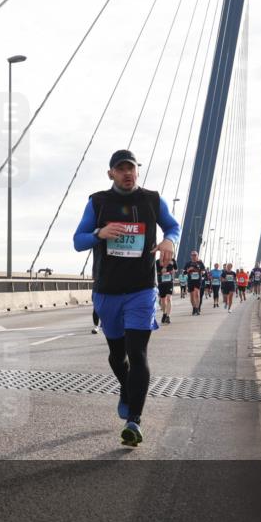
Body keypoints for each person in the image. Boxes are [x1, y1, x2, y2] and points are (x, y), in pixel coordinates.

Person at [73, 149, 181, 447]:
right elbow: (77, 241)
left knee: (138, 354)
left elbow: (172, 225)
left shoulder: (151, 199)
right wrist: (100, 232)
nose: (127, 173)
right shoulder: (97, 202)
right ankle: (126, 388)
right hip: (107, 291)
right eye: (120, 169)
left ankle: (134, 420)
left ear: (137, 170)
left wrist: (169, 240)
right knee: (117, 355)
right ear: (111, 173)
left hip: (142, 289)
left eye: (131, 168)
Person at [183, 251, 206, 315]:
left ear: (197, 256)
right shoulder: (188, 263)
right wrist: (189, 270)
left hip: (198, 280)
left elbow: (204, 271)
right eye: (192, 255)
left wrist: (201, 271)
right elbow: (184, 272)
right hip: (190, 281)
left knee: (197, 294)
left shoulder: (200, 263)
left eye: (195, 255)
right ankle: (194, 308)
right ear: (191, 256)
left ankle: (197, 309)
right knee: (192, 296)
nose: (194, 256)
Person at [157, 258, 177, 324]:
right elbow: (156, 272)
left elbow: (176, 269)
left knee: (168, 298)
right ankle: (164, 313)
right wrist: (161, 271)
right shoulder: (158, 261)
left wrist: (172, 271)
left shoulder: (172, 260)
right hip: (161, 283)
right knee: (163, 300)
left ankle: (168, 317)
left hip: (169, 282)